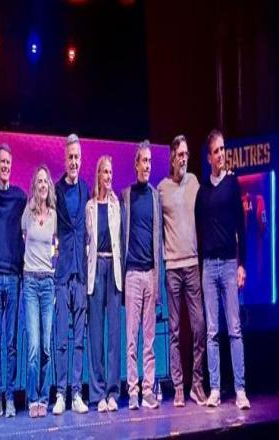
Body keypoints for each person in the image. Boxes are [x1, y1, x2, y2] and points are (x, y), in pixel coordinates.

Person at [195, 130, 250, 410]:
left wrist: (242, 264)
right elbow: (198, 229)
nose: (221, 154)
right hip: (209, 266)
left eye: (223, 149)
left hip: (229, 264)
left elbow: (242, 226)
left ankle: (240, 390)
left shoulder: (232, 184)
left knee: (235, 329)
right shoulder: (203, 192)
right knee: (212, 331)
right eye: (216, 151)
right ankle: (215, 389)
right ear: (209, 157)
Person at [157, 135, 207, 407]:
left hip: (192, 264)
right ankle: (178, 386)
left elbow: (209, 203)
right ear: (172, 158)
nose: (184, 159)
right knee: (174, 330)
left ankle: (196, 383)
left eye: (187, 154)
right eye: (180, 155)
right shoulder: (162, 189)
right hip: (172, 268)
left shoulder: (195, 183)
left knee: (199, 326)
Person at [0, 143, 27, 418]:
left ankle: (10, 397)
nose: (5, 166)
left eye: (9, 162)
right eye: (2, 162)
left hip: (13, 278)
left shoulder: (21, 197)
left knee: (10, 343)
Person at [121, 140, 163, 410]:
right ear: (136, 164)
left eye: (150, 161)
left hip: (150, 274)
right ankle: (133, 391)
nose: (147, 165)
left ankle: (148, 390)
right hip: (132, 275)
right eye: (143, 161)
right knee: (132, 340)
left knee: (149, 339)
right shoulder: (126, 196)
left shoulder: (156, 197)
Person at [52, 134, 91, 415]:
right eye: (70, 157)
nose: (74, 162)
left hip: (81, 273)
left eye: (77, 157)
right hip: (63, 273)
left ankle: (76, 392)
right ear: (64, 160)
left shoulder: (87, 189)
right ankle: (60, 393)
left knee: (78, 339)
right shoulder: (55, 190)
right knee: (61, 339)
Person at [85, 156, 123, 412]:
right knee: (96, 334)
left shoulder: (116, 205)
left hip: (114, 269)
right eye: (105, 172)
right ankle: (98, 393)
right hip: (96, 268)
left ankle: (112, 392)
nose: (108, 176)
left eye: (111, 172)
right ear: (98, 175)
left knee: (114, 335)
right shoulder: (89, 206)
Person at [21, 165, 57, 418]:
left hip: (48, 283)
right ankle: (32, 398)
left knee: (45, 346)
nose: (43, 185)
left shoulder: (54, 215)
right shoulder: (28, 213)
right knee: (33, 345)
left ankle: (44, 397)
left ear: (49, 186)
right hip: (31, 282)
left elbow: (58, 246)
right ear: (34, 186)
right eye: (39, 182)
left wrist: (54, 269)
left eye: (46, 181)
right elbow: (23, 237)